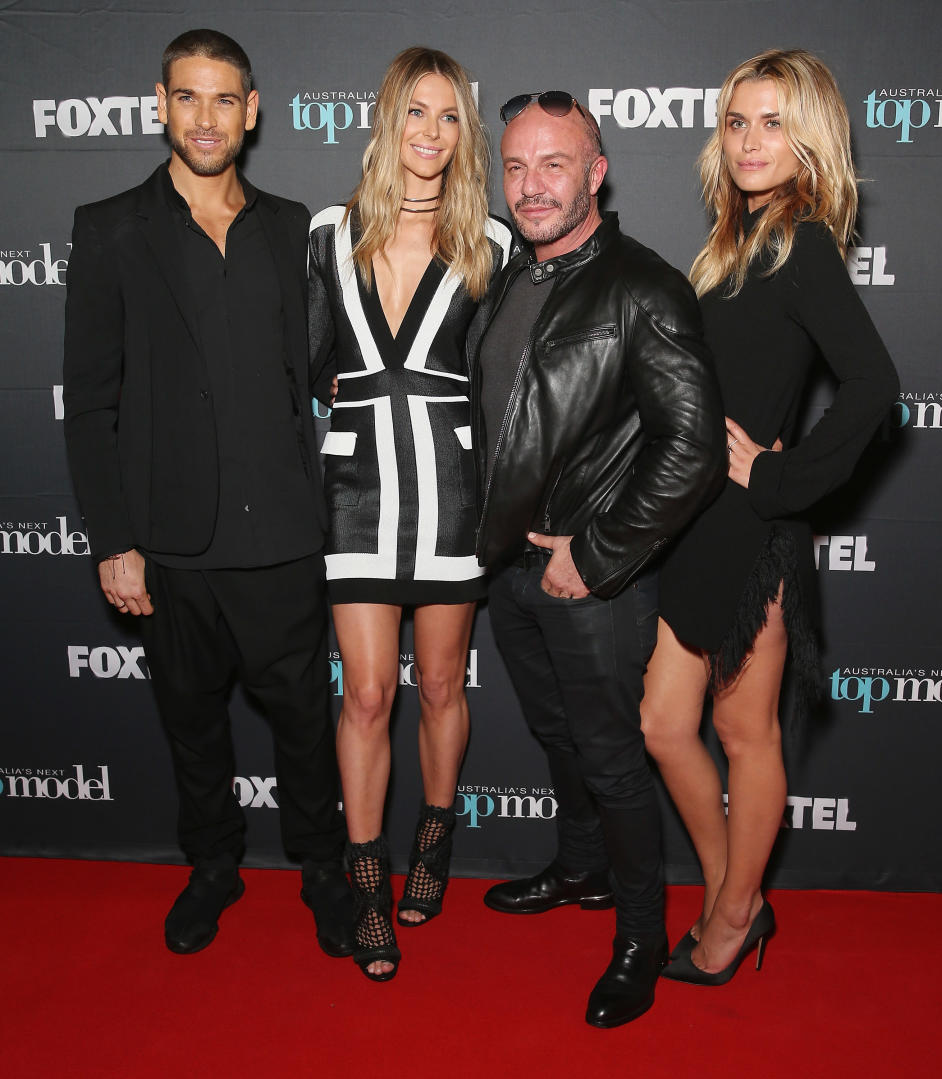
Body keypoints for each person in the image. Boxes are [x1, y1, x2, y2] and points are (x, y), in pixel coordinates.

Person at [63, 29, 352, 959]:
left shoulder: (291, 225)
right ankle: (214, 865)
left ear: (252, 110)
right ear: (159, 105)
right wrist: (114, 538)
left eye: (224, 99)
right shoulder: (109, 227)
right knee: (191, 726)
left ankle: (319, 867)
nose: (206, 117)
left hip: (282, 538)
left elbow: (319, 369)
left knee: (307, 725)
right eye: (188, 97)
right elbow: (90, 401)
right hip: (171, 542)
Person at [643, 49, 900, 986]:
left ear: (810, 138)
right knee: (666, 724)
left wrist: (784, 482)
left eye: (774, 122)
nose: (752, 141)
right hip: (696, 524)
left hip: (753, 535)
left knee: (745, 735)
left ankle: (733, 914)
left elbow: (876, 387)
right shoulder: (732, 244)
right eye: (739, 121)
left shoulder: (805, 242)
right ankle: (731, 887)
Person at [473, 91, 726, 1027]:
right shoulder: (509, 273)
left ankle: (640, 934)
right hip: (509, 568)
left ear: (596, 172)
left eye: (553, 165)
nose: (531, 186)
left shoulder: (642, 287)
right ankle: (578, 868)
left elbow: (692, 447)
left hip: (591, 578)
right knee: (556, 738)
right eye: (516, 166)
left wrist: (601, 550)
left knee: (615, 761)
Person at [308, 47, 511, 982]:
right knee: (365, 694)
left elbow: (508, 376)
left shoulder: (492, 243)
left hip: (451, 489)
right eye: (414, 113)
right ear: (386, 121)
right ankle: (368, 881)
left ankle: (434, 835)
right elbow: (306, 363)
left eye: (449, 117)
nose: (430, 133)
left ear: (465, 133)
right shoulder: (325, 233)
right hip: (354, 492)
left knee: (438, 687)